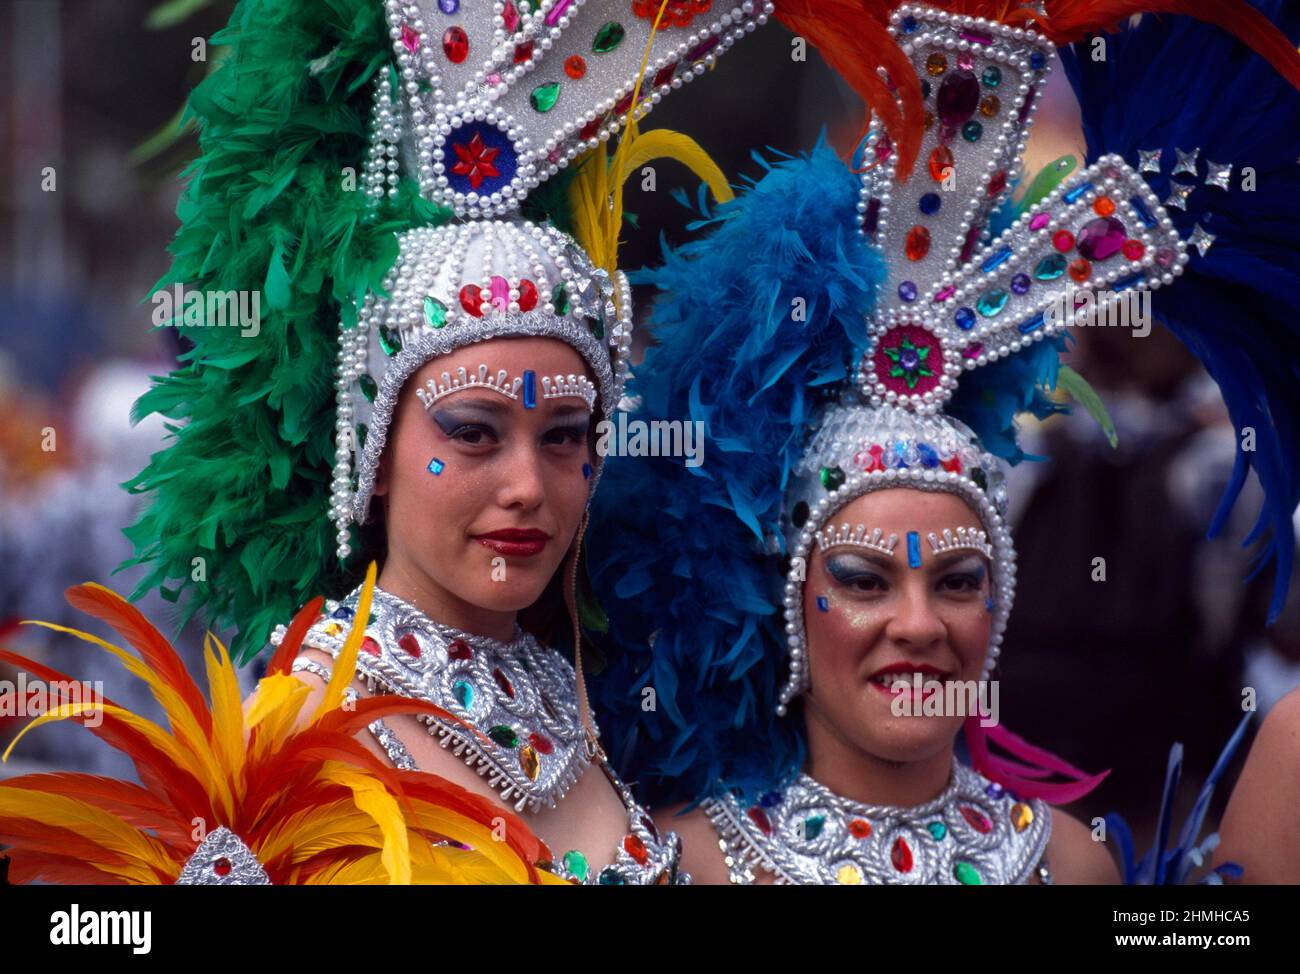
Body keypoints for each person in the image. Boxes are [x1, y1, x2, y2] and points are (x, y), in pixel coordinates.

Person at [583, 1, 1300, 884]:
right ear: (787, 596)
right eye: (862, 579)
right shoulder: (680, 863)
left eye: (958, 581)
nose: (918, 625)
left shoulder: (1073, 866)